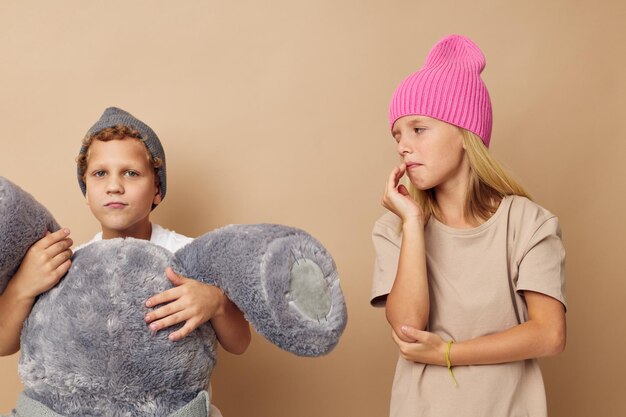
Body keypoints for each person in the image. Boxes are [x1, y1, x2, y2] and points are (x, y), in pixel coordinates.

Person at [0, 107, 250, 416]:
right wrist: (23, 286)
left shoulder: (189, 256)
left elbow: (239, 343)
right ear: (86, 190)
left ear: (157, 189)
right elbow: (4, 344)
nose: (114, 185)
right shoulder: (70, 266)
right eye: (100, 173)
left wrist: (217, 302)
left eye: (131, 173)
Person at [371, 35, 567, 417]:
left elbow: (550, 334)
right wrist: (412, 223)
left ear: (464, 133)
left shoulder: (528, 223)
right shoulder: (392, 228)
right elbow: (409, 329)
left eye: (418, 129)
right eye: (397, 135)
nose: (403, 146)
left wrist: (447, 353)